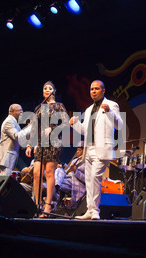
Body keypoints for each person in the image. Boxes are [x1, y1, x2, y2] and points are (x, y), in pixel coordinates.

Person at [70, 80, 124, 220]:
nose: (93, 91)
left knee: (95, 177)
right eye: (91, 89)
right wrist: (75, 124)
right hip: (89, 148)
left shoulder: (112, 105)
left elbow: (120, 125)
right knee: (88, 180)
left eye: (96, 89)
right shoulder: (88, 110)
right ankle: (90, 210)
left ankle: (95, 211)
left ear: (103, 90)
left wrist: (110, 112)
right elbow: (85, 130)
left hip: (102, 148)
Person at [26, 81, 68, 217]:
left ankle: (48, 205)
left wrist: (53, 128)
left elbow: (66, 123)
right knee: (37, 173)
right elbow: (34, 127)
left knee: (49, 173)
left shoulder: (59, 106)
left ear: (54, 91)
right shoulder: (39, 108)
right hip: (40, 142)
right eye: (45, 88)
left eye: (50, 88)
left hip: (54, 142)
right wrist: (29, 144)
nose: (47, 90)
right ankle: (36, 205)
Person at [0, 104, 30, 176]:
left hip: (8, 160)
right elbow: (16, 136)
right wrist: (29, 128)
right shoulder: (9, 122)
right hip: (4, 159)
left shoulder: (15, 123)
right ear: (12, 112)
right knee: (1, 183)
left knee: (4, 183)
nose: (22, 112)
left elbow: (20, 141)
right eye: (20, 111)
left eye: (22, 110)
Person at [54, 142, 86, 209]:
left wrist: (75, 171)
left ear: (85, 151)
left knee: (53, 186)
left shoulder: (87, 163)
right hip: (67, 178)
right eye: (77, 150)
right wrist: (62, 168)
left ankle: (56, 186)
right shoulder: (75, 160)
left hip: (76, 182)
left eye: (79, 150)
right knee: (58, 170)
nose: (77, 152)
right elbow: (67, 172)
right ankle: (56, 184)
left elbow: (87, 179)